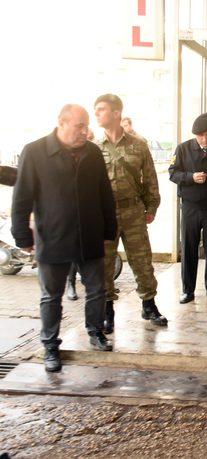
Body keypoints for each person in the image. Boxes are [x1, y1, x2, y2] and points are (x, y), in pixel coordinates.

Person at [11, 104, 117, 372]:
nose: (85, 131)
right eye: (79, 126)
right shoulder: (35, 152)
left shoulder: (92, 153)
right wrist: (22, 236)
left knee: (97, 290)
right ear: (62, 122)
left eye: (86, 125)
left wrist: (108, 231)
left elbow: (105, 194)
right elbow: (21, 197)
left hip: (89, 236)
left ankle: (95, 332)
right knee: (51, 296)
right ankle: (50, 346)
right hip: (53, 237)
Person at [94, 94, 167, 333]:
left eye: (102, 109)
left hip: (133, 211)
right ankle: (107, 311)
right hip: (104, 215)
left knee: (142, 259)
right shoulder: (94, 148)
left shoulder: (138, 145)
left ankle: (149, 305)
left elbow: (150, 178)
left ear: (116, 113)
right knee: (105, 264)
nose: (97, 114)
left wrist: (152, 207)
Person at [168, 113, 207, 303]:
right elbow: (173, 173)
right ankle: (187, 290)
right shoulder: (183, 149)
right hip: (190, 206)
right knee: (188, 247)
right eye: (200, 136)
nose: (205, 139)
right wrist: (190, 177)